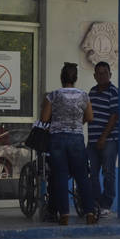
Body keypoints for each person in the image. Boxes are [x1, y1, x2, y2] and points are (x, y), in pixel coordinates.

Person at [40, 61, 97, 225]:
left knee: (60, 176)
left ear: (61, 77)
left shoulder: (53, 95)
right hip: (76, 139)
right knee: (82, 176)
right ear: (76, 78)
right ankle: (90, 212)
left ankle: (64, 214)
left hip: (57, 138)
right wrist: (77, 123)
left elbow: (44, 118)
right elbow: (90, 116)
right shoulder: (83, 95)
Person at [86, 61, 120, 217]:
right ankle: (96, 202)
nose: (102, 76)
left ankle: (106, 204)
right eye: (98, 73)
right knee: (91, 173)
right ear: (94, 76)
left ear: (110, 74)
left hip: (109, 140)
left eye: (104, 73)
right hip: (92, 141)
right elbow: (88, 113)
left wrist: (103, 138)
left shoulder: (114, 92)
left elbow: (114, 117)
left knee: (108, 172)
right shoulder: (92, 92)